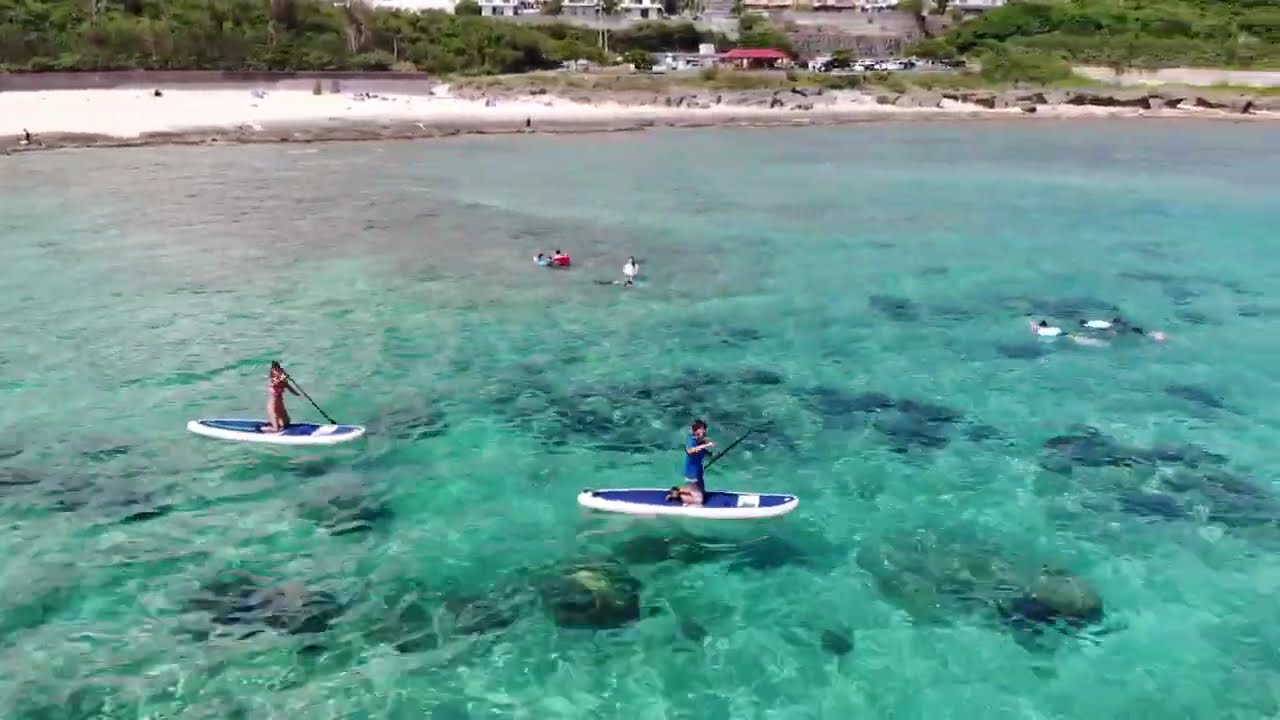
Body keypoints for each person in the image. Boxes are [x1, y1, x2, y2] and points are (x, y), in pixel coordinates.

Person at [667, 419, 715, 506]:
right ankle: (678, 496)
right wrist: (706, 445)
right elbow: (690, 451)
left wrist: (712, 454)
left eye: (704, 429)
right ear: (695, 430)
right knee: (699, 500)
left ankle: (677, 490)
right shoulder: (691, 439)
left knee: (703, 493)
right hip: (692, 474)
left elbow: (703, 451)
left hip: (698, 472)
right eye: (701, 429)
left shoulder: (700, 440)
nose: (703, 431)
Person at [263, 361, 300, 433]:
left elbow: (289, 388)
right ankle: (260, 429)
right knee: (276, 429)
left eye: (279, 369)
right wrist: (283, 377)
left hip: (280, 407)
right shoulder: (273, 380)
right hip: (273, 407)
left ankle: (272, 422)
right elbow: (275, 383)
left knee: (286, 423)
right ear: (273, 371)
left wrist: (298, 394)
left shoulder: (283, 381)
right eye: (276, 370)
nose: (278, 371)